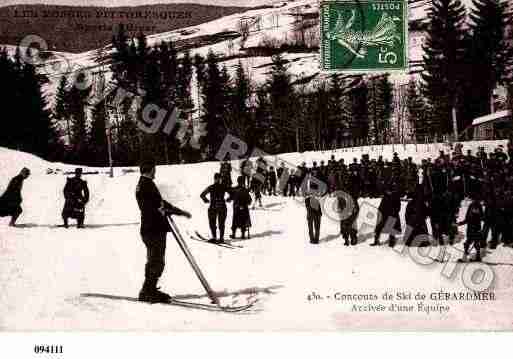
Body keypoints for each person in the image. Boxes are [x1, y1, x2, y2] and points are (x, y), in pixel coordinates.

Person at [136, 160, 192, 303]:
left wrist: (178, 211)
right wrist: (163, 210)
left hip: (153, 228)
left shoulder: (145, 183)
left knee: (156, 261)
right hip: (153, 229)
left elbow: (160, 203)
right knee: (156, 261)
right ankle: (148, 291)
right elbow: (151, 206)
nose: (155, 172)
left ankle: (150, 289)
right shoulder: (145, 185)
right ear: (150, 170)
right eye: (154, 169)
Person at [200, 173, 231, 243]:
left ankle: (214, 237)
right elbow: (232, 193)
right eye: (218, 179)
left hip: (213, 206)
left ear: (214, 179)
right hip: (222, 206)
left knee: (212, 223)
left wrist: (206, 200)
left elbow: (202, 195)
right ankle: (221, 238)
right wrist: (228, 199)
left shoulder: (211, 187)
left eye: (218, 179)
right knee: (221, 223)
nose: (218, 180)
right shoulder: (223, 186)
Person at [457, 194, 484, 262]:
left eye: (476, 199)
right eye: (474, 199)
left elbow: (482, 217)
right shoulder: (471, 205)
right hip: (470, 228)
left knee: (476, 243)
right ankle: (465, 257)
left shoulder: (479, 206)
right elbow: (467, 218)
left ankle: (477, 257)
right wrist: (459, 223)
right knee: (468, 242)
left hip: (476, 228)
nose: (474, 200)